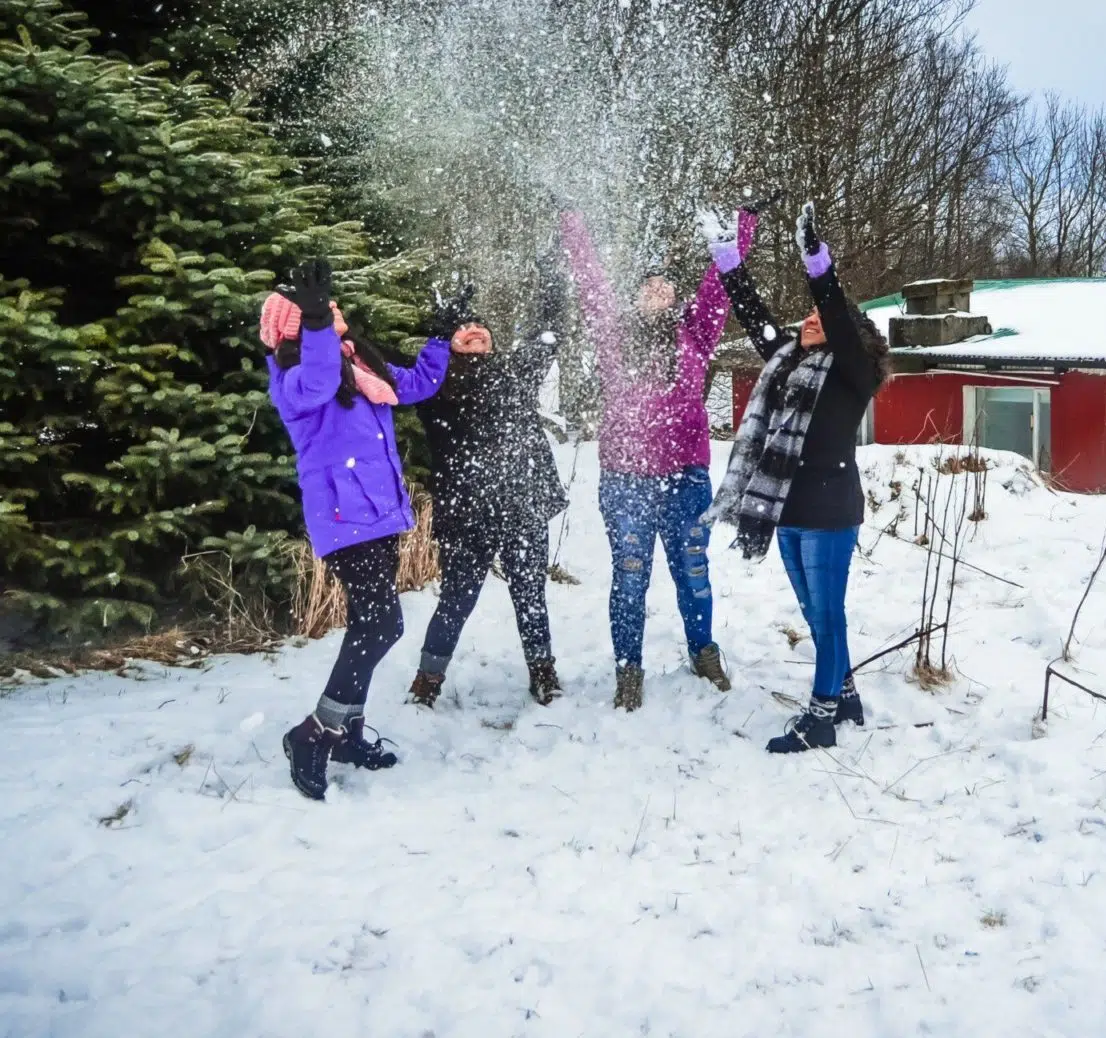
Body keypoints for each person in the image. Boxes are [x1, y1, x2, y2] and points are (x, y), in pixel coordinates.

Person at [266, 259, 484, 800]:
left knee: (372, 621)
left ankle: (349, 730)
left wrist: (440, 334)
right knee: (383, 626)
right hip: (344, 519)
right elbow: (318, 380)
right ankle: (315, 732)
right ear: (297, 326)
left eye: (331, 307)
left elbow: (416, 385)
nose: (335, 311)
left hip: (380, 515)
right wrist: (317, 322)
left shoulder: (358, 363)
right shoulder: (295, 382)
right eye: (321, 310)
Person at [703, 203, 891, 754]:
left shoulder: (853, 374)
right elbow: (753, 311)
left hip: (831, 513)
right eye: (806, 315)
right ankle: (847, 692)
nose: (811, 319)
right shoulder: (783, 361)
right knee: (813, 614)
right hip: (785, 510)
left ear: (846, 335)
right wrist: (727, 259)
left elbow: (832, 306)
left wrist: (817, 261)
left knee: (828, 616)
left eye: (821, 318)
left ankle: (822, 717)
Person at [558, 202, 755, 711]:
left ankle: (703, 650)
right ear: (636, 295)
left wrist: (742, 227)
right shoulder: (612, 335)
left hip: (686, 474)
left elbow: (722, 283)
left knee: (693, 569)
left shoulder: (696, 331)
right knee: (629, 575)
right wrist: (572, 221)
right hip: (625, 478)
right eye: (648, 284)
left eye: (666, 285)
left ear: (675, 296)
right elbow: (590, 283)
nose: (657, 289)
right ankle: (629, 668)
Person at [407, 267, 570, 709]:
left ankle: (542, 670)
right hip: (466, 513)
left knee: (531, 594)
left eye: (481, 327)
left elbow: (550, 333)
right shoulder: (434, 386)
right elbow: (404, 370)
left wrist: (553, 273)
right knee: (457, 599)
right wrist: (439, 336)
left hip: (522, 506)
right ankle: (428, 679)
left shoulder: (515, 373)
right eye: (463, 328)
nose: (474, 329)